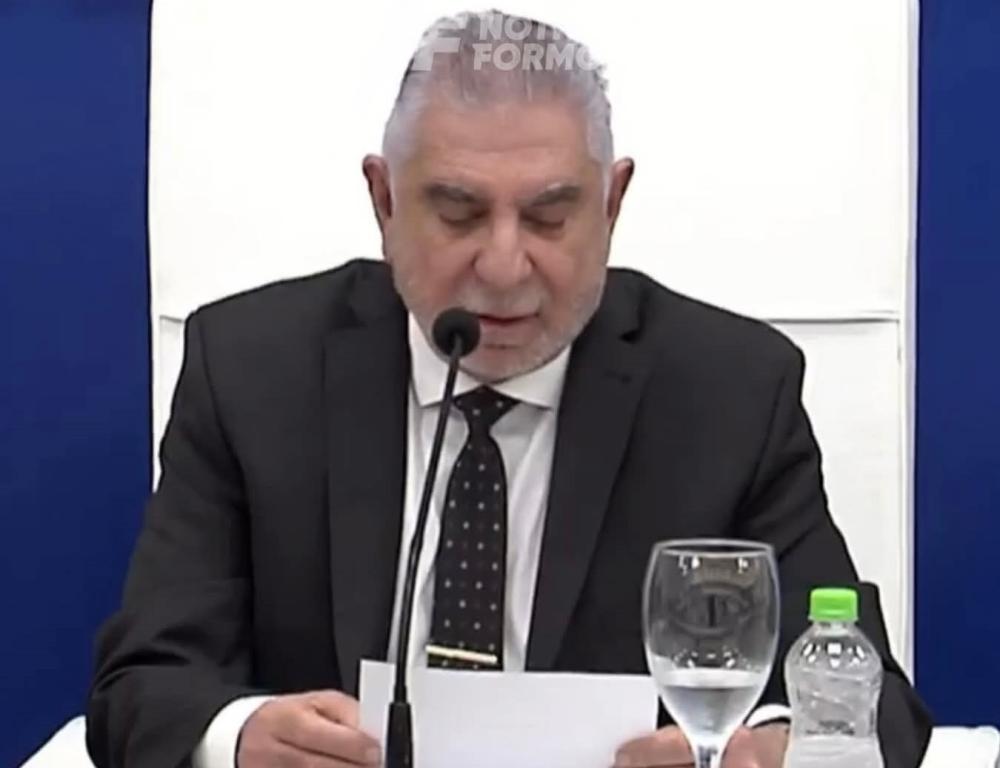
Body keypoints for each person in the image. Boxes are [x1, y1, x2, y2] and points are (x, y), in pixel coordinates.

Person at [86, 10, 932, 768]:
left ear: (613, 202)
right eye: (457, 214)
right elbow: (143, 687)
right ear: (383, 200)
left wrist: (769, 750)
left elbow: (872, 701)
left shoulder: (730, 392)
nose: (502, 267)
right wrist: (239, 739)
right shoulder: (254, 371)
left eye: (549, 217)